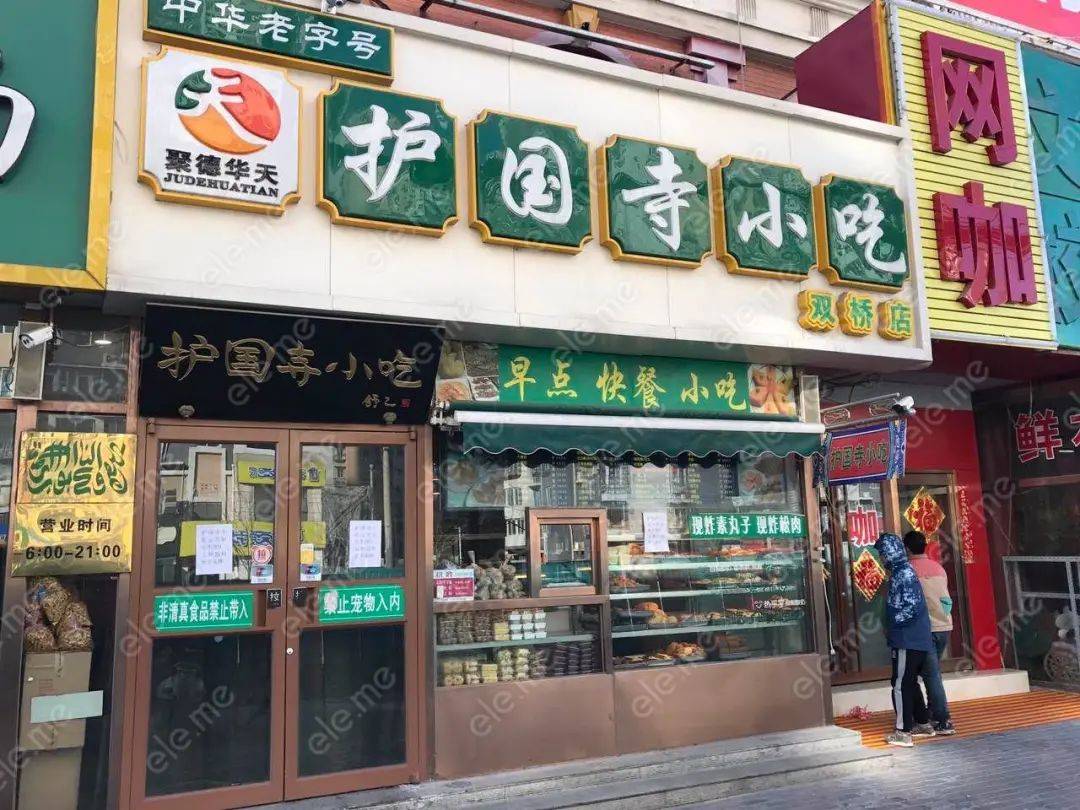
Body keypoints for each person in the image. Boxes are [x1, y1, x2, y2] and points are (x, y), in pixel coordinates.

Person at [875, 532, 934, 748]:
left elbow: (911, 607)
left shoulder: (903, 574)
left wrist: (893, 624)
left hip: (907, 639)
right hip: (915, 639)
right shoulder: (904, 572)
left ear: (890, 553)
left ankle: (903, 732)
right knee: (910, 682)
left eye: (883, 554)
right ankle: (922, 723)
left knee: (900, 684)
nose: (881, 558)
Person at [904, 530, 957, 736]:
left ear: (907, 549)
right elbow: (945, 598)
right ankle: (933, 713)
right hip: (944, 627)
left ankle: (943, 719)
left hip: (923, 630)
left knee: (930, 675)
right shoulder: (938, 568)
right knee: (931, 672)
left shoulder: (908, 570)